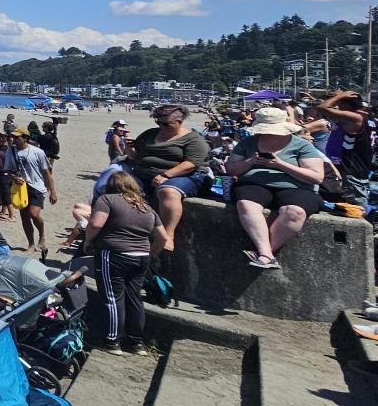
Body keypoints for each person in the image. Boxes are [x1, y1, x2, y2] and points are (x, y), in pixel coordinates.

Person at [225, 107, 328, 271]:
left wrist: (281, 165)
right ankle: (266, 255)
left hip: (296, 186)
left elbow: (316, 177)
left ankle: (265, 254)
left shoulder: (301, 145)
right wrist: (250, 162)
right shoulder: (248, 143)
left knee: (295, 212)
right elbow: (230, 169)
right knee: (246, 204)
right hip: (254, 183)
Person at [83, 170, 158, 355]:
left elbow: (96, 224)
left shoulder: (107, 200)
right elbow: (163, 238)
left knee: (112, 297)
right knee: (135, 299)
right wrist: (150, 253)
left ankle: (113, 341)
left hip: (114, 254)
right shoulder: (146, 207)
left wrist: (88, 241)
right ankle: (136, 343)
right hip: (141, 257)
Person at [130, 104, 209, 255]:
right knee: (115, 186)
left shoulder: (194, 139)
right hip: (145, 173)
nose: (161, 126)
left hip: (185, 175)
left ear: (180, 121)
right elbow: (136, 156)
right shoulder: (150, 134)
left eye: (165, 123)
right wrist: (129, 149)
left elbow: (191, 163)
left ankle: (167, 235)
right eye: (158, 122)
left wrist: (166, 175)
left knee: (167, 192)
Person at [316, 91, 373, 208]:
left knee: (355, 205)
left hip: (352, 167)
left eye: (339, 104)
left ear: (345, 105)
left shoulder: (356, 117)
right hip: (358, 165)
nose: (337, 107)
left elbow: (322, 108)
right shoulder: (369, 118)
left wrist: (340, 96)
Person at [8, 129, 57, 253]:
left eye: (17, 137)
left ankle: (42, 235)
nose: (14, 139)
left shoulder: (38, 152)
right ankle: (31, 244)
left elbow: (47, 172)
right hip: (20, 187)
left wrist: (53, 191)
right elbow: (7, 170)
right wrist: (13, 177)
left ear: (25, 138)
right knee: (24, 217)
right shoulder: (11, 151)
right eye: (13, 137)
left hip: (37, 186)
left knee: (34, 214)